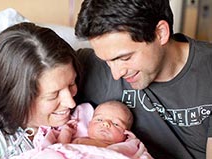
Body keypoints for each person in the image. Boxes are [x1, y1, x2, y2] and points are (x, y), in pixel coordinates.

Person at [74, 0, 212, 159]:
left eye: (125, 58)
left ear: (160, 33)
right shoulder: (90, 66)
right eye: (106, 61)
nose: (116, 74)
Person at [0, 22, 81, 158]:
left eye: (71, 84)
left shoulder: (90, 119)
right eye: (53, 95)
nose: (71, 103)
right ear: (15, 98)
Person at [11, 101, 152, 159]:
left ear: (126, 134)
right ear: (89, 124)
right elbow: (59, 146)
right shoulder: (79, 139)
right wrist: (67, 131)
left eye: (116, 124)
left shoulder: (126, 147)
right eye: (99, 120)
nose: (106, 124)